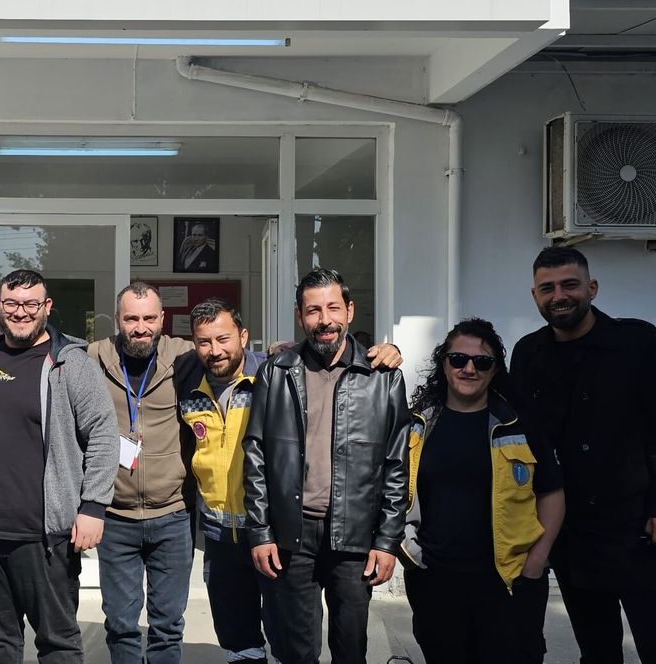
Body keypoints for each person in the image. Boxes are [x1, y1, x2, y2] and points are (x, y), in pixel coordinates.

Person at [511, 246, 656, 663]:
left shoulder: (639, 341)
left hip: (642, 529)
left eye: (570, 285)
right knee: (596, 652)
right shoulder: (528, 353)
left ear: (592, 288)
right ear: (535, 296)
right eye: (547, 288)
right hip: (575, 535)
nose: (559, 296)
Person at [0, 268, 118, 663]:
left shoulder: (70, 364)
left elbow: (104, 435)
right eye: (11, 303)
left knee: (58, 644)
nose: (21, 312)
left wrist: (93, 506)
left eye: (30, 304)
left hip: (42, 537)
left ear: (47, 306)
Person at [244, 268, 408, 664]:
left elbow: (396, 465)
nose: (325, 320)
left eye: (333, 308)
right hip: (292, 534)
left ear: (349, 311)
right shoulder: (276, 373)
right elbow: (256, 455)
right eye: (313, 310)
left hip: (354, 535)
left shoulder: (382, 377)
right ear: (300, 316)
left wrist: (387, 541)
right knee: (296, 650)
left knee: (350, 649)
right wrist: (261, 532)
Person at [400, 318, 564, 664]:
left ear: (495, 370)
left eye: (482, 362)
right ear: (444, 364)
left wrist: (536, 562)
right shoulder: (418, 424)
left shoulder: (520, 424)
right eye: (458, 359)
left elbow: (551, 494)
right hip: (435, 580)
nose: (469, 369)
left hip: (509, 582)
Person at [87, 282, 195, 664]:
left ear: (162, 318)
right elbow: (47, 347)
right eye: (131, 318)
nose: (141, 327)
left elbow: (233, 354)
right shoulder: (94, 357)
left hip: (172, 515)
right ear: (117, 319)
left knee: (168, 625)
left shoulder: (184, 355)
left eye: (149, 318)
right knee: (121, 625)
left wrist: (281, 350)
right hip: (115, 517)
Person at [174, 298, 270, 663]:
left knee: (287, 632)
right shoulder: (188, 382)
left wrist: (382, 352)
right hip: (218, 534)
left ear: (243, 336)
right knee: (238, 639)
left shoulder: (272, 376)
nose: (214, 350)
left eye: (223, 339)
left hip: (268, 531)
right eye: (204, 341)